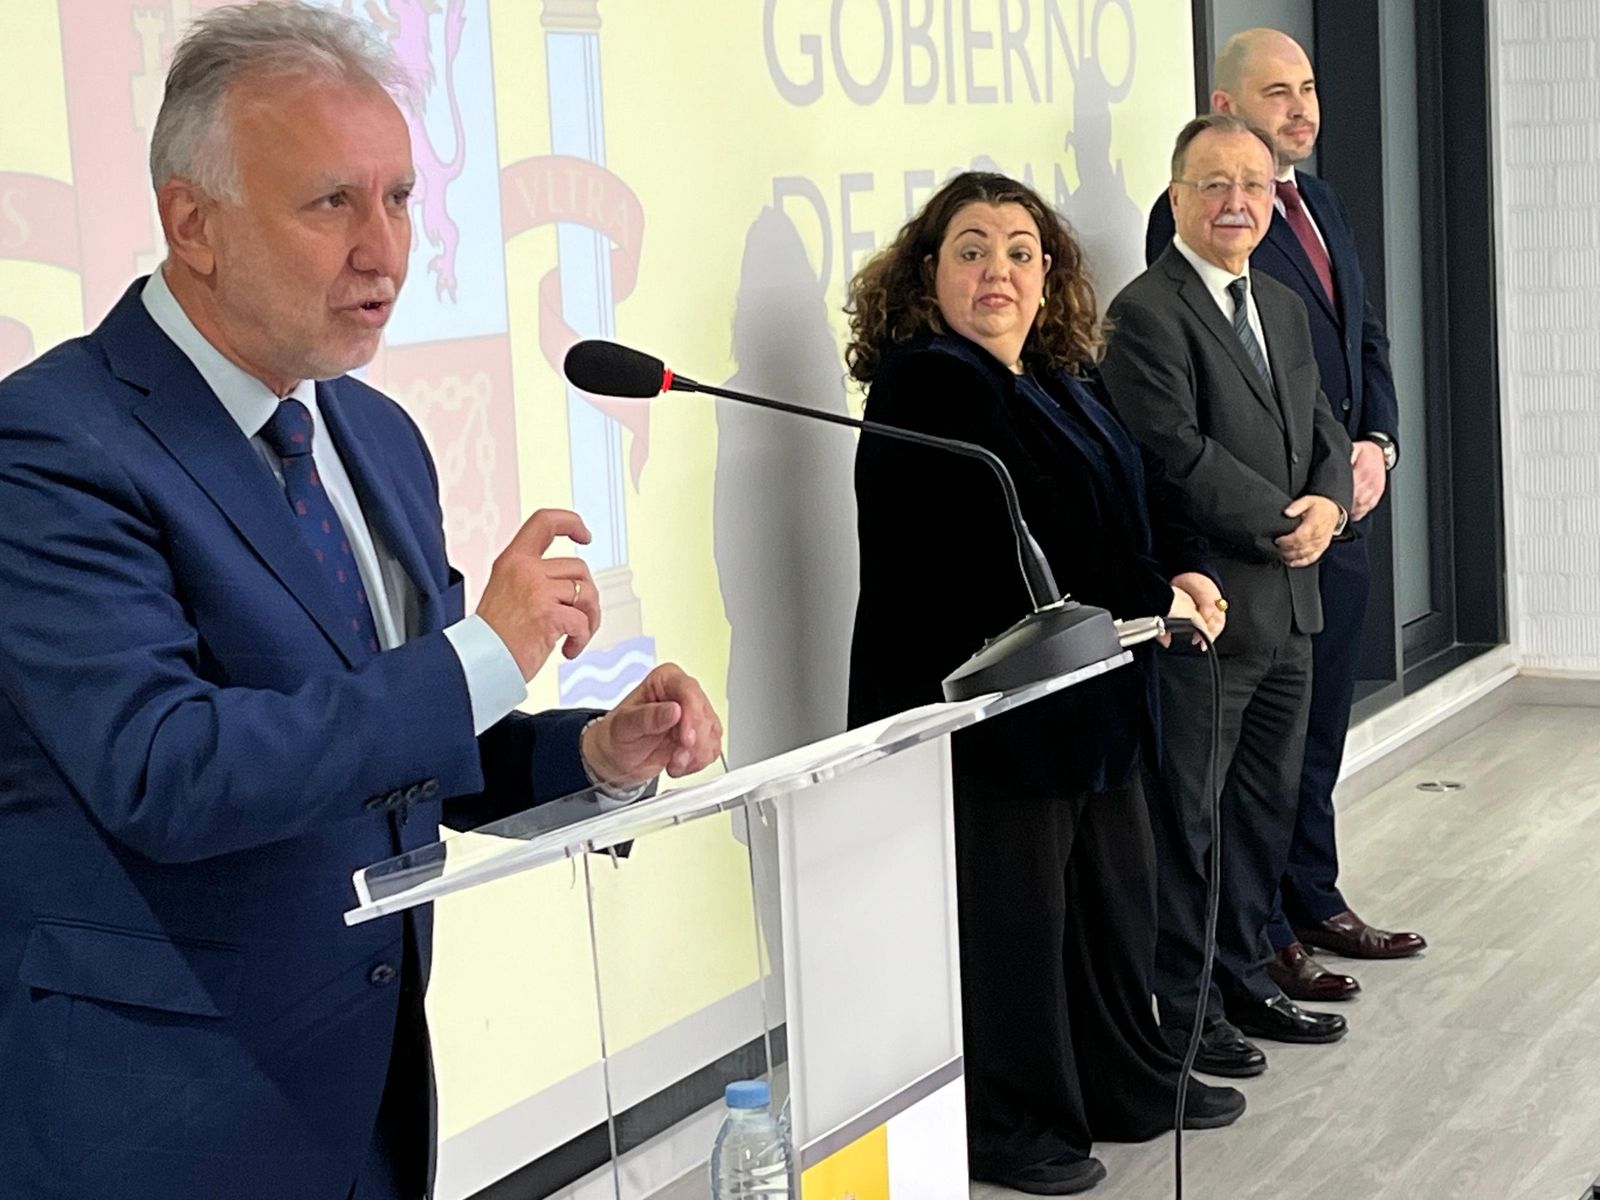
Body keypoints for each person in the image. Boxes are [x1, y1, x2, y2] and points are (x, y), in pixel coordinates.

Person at [0, 5, 721, 1199]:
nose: (385, 251)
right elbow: (167, 769)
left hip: (368, 1099)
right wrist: (482, 653)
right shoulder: (51, 445)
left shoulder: (375, 435)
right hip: (159, 1120)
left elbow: (410, 750)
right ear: (193, 224)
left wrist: (592, 756)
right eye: (332, 202)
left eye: (399, 198)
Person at [846, 170, 1242, 1197]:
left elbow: (1143, 484)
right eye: (972, 250)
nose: (999, 272)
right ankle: (1009, 1123)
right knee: (1015, 926)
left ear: (1049, 273)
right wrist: (1155, 593)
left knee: (1110, 907)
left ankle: (1122, 1081)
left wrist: (1187, 566)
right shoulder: (929, 383)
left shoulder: (1061, 374)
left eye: (1021, 252)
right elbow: (1028, 535)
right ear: (927, 274)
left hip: (1089, 691)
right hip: (990, 710)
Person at [1145, 30, 1425, 1003]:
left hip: (1331, 521)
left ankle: (1305, 902)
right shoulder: (1193, 232)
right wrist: (1293, 510)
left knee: (1308, 744)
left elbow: (1358, 342)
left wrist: (1370, 451)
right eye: (1278, 91)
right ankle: (1257, 943)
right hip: (1249, 553)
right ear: (1224, 106)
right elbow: (1194, 424)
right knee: (1244, 775)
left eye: (1307, 87)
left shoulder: (1320, 204)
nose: (1302, 106)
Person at [1100, 115, 1354, 1078]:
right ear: (1176, 198)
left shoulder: (1279, 303)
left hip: (1292, 609)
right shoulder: (1144, 313)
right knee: (1190, 823)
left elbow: (1322, 425)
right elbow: (1174, 453)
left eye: (1252, 184)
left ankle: (1248, 978)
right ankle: (1188, 1009)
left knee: (1262, 814)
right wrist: (1285, 521)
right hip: (1209, 614)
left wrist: (1329, 503)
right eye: (1213, 184)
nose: (1236, 202)